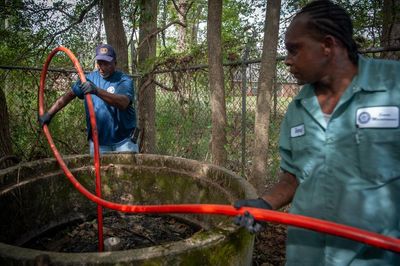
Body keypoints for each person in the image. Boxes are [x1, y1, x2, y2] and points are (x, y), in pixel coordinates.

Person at [234, 0, 400, 265]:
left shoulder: (394, 84)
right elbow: (294, 177)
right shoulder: (298, 109)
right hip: (306, 255)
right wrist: (264, 204)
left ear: (327, 45)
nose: (287, 60)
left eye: (294, 50)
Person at [39, 44, 139, 154]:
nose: (102, 67)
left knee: (128, 170)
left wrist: (96, 91)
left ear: (115, 63)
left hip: (124, 141)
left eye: (106, 63)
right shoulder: (88, 79)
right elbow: (68, 96)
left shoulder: (123, 80)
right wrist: (49, 114)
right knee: (98, 171)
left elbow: (123, 102)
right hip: (98, 142)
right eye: (99, 63)